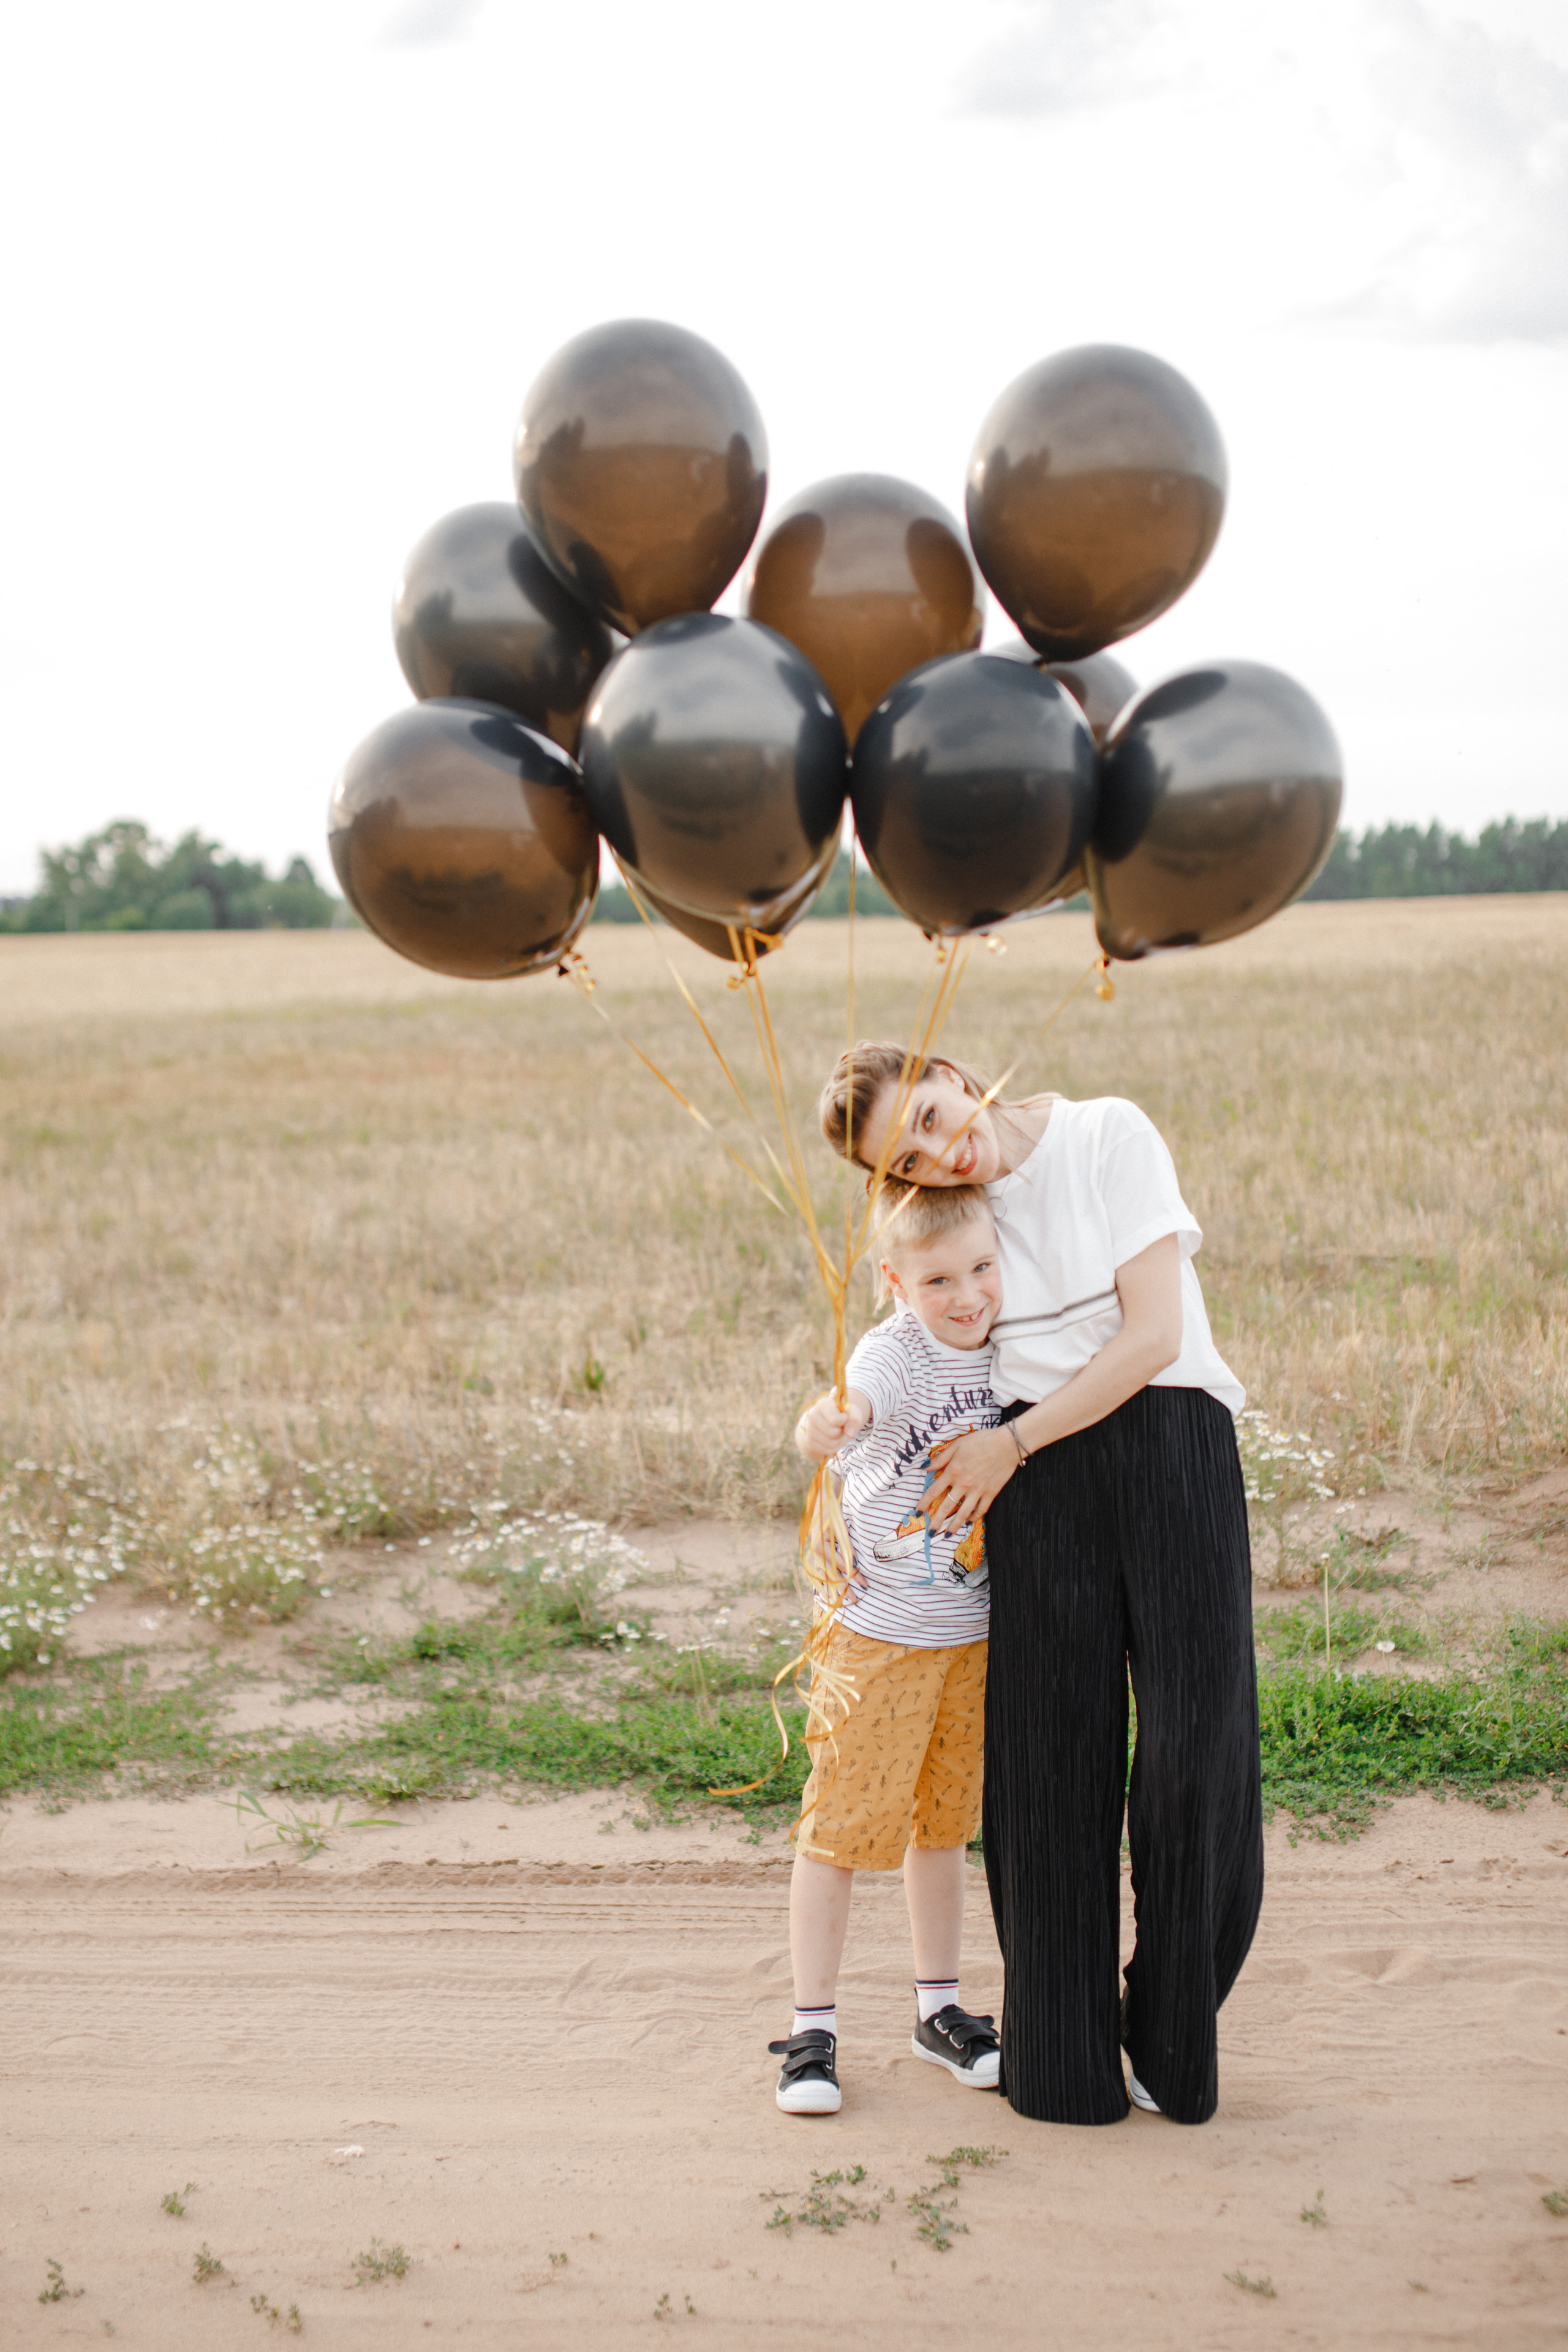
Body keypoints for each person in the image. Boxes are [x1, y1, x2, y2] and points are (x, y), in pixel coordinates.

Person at [817, 1044, 1263, 2128]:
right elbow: (901, 1340)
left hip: (1168, 1440)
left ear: (961, 1071)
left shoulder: (1109, 1129)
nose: (938, 1148)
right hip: (1033, 1481)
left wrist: (1010, 1450)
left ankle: (1169, 2023)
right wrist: (843, 1472)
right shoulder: (954, 1216)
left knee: (1196, 1738)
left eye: (931, 1112)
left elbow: (1153, 1331)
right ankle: (1062, 2050)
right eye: (908, 1158)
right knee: (1046, 1765)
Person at [776, 1183, 1005, 2117]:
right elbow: (847, 1406)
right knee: (840, 1828)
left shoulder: (1010, 1339)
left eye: (983, 1268)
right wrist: (826, 1422)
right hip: (880, 1640)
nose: (967, 1295)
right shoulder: (896, 1351)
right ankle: (811, 2031)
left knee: (943, 1825)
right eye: (939, 1278)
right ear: (894, 1281)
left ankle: (938, 2011)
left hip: (972, 1639)